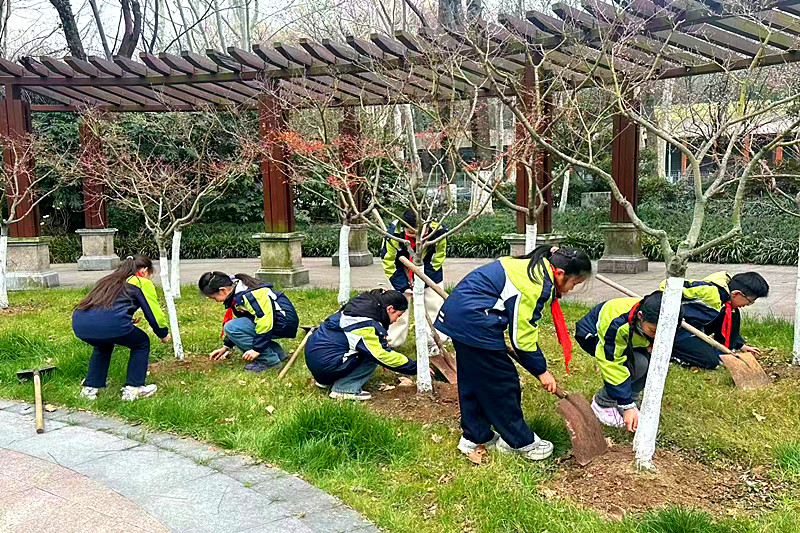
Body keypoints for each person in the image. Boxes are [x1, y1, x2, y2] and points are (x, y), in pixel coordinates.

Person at [434, 246, 592, 462]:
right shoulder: (534, 283)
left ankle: (475, 436)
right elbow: (522, 337)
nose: (572, 289)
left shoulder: (528, 266)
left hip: (459, 318)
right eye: (575, 283)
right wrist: (541, 371)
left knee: (473, 380)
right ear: (560, 273)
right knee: (502, 384)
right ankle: (519, 442)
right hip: (475, 322)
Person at [574, 292, 677, 432]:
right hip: (595, 337)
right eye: (654, 331)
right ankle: (603, 403)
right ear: (640, 316)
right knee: (638, 364)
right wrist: (626, 405)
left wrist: (653, 343)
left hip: (631, 340)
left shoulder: (665, 318)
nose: (658, 336)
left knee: (654, 366)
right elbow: (611, 363)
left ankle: (631, 398)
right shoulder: (617, 324)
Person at [72, 255, 170, 401]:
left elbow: (104, 306)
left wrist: (125, 319)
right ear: (144, 271)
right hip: (110, 324)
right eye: (150, 275)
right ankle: (134, 388)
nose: (149, 278)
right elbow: (154, 313)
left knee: (103, 346)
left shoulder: (108, 280)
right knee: (141, 342)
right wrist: (162, 333)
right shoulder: (140, 282)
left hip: (80, 323)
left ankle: (90, 388)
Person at [305, 289, 416, 400]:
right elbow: (382, 355)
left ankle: (326, 381)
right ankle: (345, 389)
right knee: (371, 355)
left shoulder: (356, 309)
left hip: (318, 363)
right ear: (390, 309)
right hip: (327, 367)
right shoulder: (364, 325)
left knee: (364, 348)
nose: (396, 320)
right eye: (398, 315)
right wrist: (416, 367)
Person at [663, 271, 769, 369]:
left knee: (732, 312)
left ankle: (726, 349)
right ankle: (671, 353)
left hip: (696, 325)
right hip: (676, 330)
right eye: (750, 301)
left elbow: (727, 321)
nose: (748, 304)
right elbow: (667, 286)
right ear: (736, 294)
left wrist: (740, 344)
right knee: (711, 361)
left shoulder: (725, 298)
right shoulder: (709, 294)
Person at [199, 272, 299, 372]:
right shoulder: (239, 293)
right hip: (278, 321)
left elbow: (265, 322)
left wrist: (257, 349)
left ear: (223, 290)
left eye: (214, 298)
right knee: (234, 327)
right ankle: (277, 353)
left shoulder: (250, 295)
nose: (216, 301)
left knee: (231, 327)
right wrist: (226, 346)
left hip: (283, 323)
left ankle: (268, 361)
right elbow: (245, 322)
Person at [381, 209, 448, 348]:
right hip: (401, 270)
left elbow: (437, 258)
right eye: (409, 232)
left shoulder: (439, 232)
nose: (413, 235)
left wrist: (423, 280)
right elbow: (389, 262)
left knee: (434, 305)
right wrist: (403, 285)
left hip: (430, 271)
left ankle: (435, 341)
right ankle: (392, 341)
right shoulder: (393, 234)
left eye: (417, 231)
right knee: (398, 306)